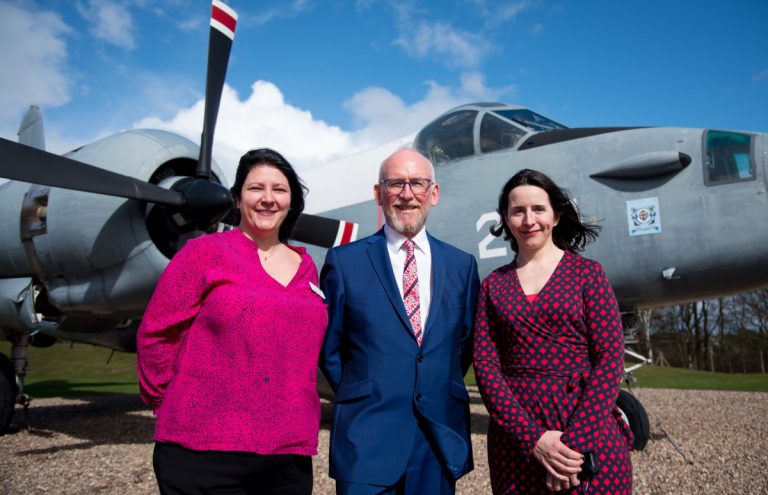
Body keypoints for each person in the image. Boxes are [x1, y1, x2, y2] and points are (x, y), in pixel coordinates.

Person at [137, 148, 328, 495]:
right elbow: (157, 333)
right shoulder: (202, 254)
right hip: (202, 451)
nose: (268, 199)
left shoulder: (307, 267)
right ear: (238, 198)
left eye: (279, 189)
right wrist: (165, 400)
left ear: (291, 201)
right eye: (256, 188)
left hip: (288, 454)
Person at [319, 148, 479, 495]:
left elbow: (462, 346)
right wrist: (364, 391)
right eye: (395, 184)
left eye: (417, 183)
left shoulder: (462, 266)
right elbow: (330, 348)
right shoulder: (345, 262)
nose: (407, 194)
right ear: (378, 193)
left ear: (433, 194)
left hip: (437, 442)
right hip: (367, 439)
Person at [473, 169, 633, 494]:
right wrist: (534, 440)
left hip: (587, 432)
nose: (529, 219)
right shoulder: (493, 286)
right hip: (517, 441)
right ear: (506, 218)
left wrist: (572, 447)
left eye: (538, 209)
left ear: (556, 215)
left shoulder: (587, 275)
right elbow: (486, 369)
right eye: (518, 211)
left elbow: (610, 360)